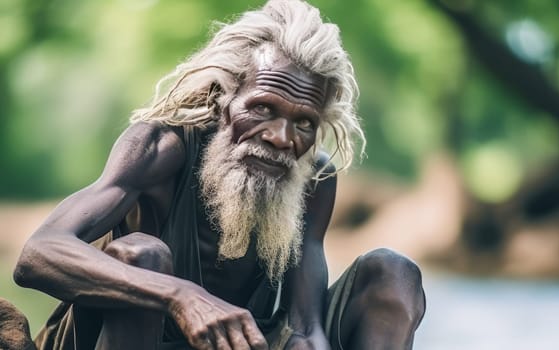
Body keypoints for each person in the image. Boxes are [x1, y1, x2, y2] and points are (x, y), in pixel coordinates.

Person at [13, 0, 426, 349]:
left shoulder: (313, 178)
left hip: (247, 339)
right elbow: (38, 255)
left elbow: (305, 326)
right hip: (123, 336)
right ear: (224, 99)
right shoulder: (160, 147)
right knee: (143, 255)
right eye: (263, 108)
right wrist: (181, 296)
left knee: (394, 272)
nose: (282, 138)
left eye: (304, 123)